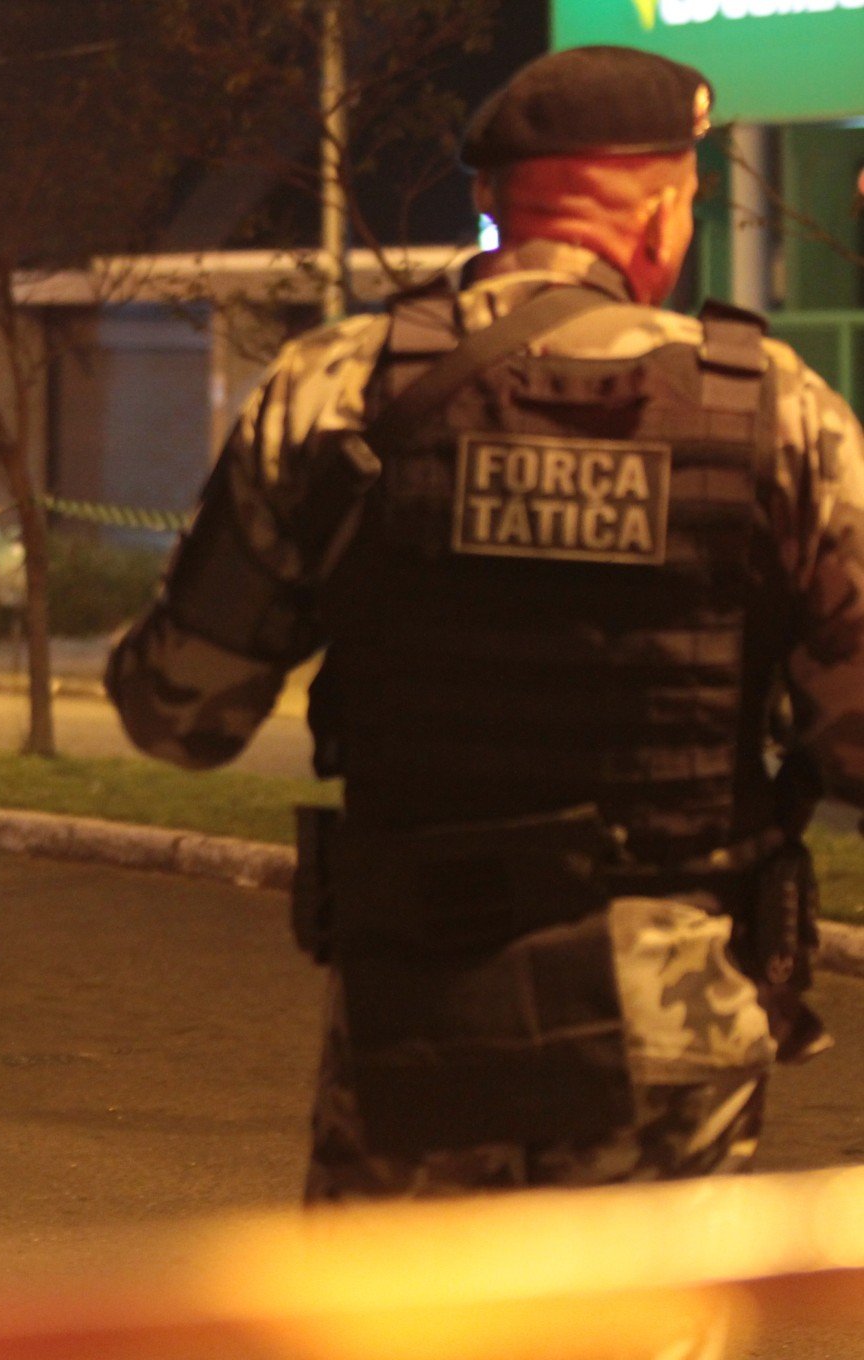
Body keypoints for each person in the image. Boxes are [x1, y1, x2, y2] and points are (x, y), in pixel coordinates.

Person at [109, 45, 864, 1208]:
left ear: (496, 204)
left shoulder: (338, 388)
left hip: (420, 1019)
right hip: (671, 1034)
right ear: (663, 207)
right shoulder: (777, 412)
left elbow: (178, 715)